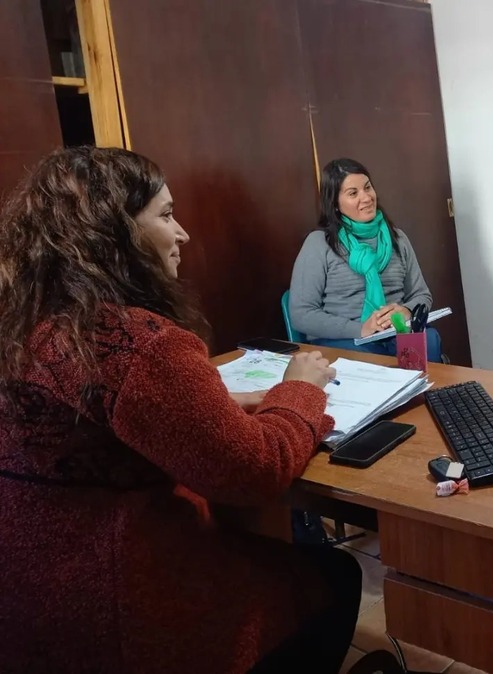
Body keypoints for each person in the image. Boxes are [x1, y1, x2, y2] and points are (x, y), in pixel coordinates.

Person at [0, 147, 362, 673]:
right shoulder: (133, 343)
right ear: (114, 235)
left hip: (29, 596)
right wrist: (300, 390)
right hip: (116, 608)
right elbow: (256, 470)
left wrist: (219, 403)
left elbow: (101, 418)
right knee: (336, 576)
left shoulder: (29, 324)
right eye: (167, 215)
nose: (183, 233)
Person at [290, 158, 443, 362]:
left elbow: (421, 294)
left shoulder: (397, 238)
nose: (367, 198)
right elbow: (302, 314)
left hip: (395, 332)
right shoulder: (319, 243)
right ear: (335, 204)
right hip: (347, 338)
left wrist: (406, 310)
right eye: (353, 193)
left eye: (367, 188)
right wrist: (360, 329)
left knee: (429, 340)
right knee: (369, 360)